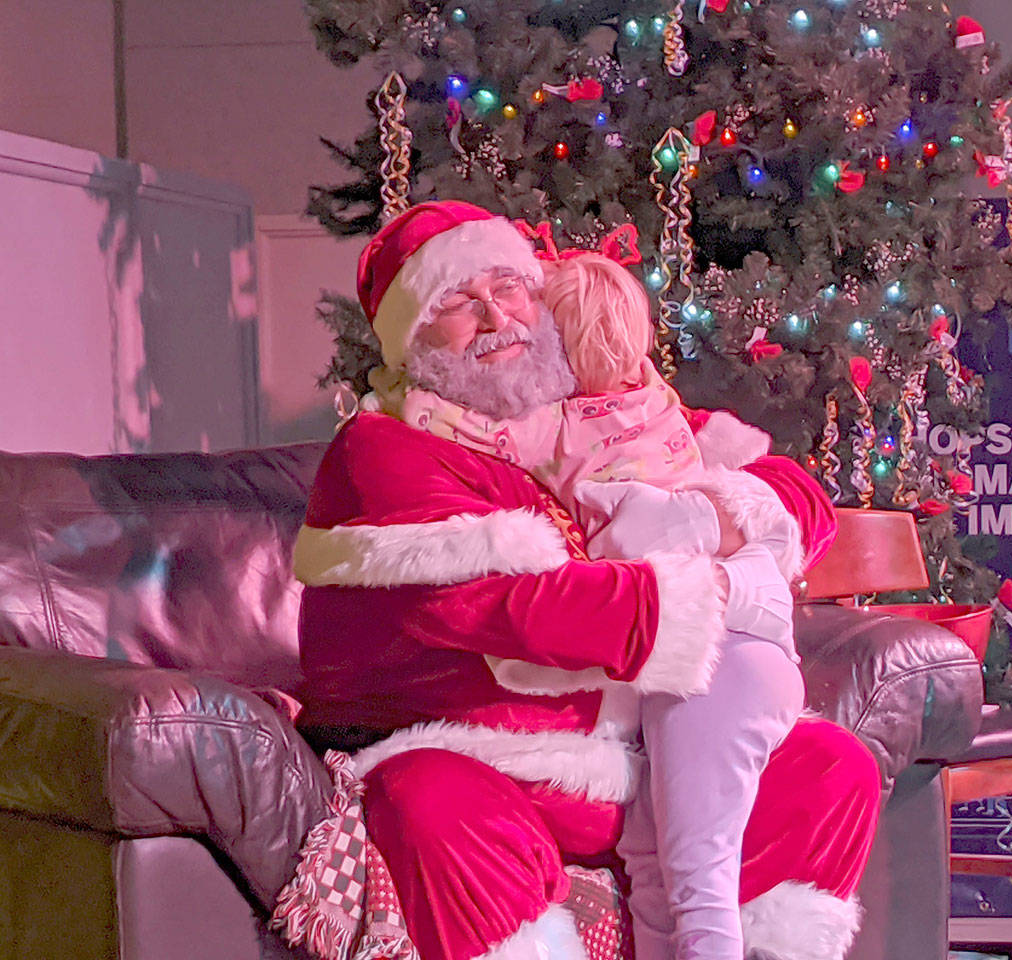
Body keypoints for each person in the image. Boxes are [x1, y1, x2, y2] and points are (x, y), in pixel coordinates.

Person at [293, 200, 881, 960]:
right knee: (430, 801)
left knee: (831, 769)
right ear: (412, 342)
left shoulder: (588, 416)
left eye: (508, 287)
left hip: (626, 765)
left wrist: (712, 519)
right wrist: (715, 592)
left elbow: (798, 499)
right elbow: (500, 607)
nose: (497, 315)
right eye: (457, 304)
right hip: (481, 758)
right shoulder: (386, 448)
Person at [378, 250, 814, 960]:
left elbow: (479, 436)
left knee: (695, 880)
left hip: (715, 659)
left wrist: (410, 403)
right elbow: (766, 470)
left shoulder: (558, 425)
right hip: (747, 643)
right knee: (655, 857)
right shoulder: (661, 403)